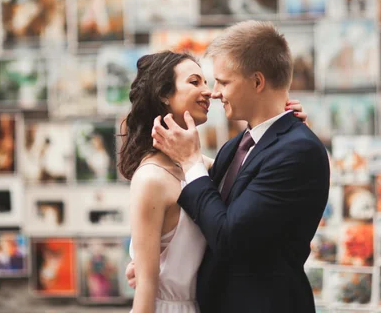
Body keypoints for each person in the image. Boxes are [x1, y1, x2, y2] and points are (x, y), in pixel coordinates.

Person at [147, 21, 330, 313]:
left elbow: (228, 237)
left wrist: (191, 160)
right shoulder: (236, 145)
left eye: (223, 82)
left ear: (257, 82)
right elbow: (206, 219)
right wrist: (154, 267)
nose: (215, 93)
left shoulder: (299, 151)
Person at [119, 50, 307, 313]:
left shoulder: (207, 166)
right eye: (195, 82)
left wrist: (284, 120)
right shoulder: (151, 179)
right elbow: (146, 288)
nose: (209, 92)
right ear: (163, 94)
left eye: (209, 82)